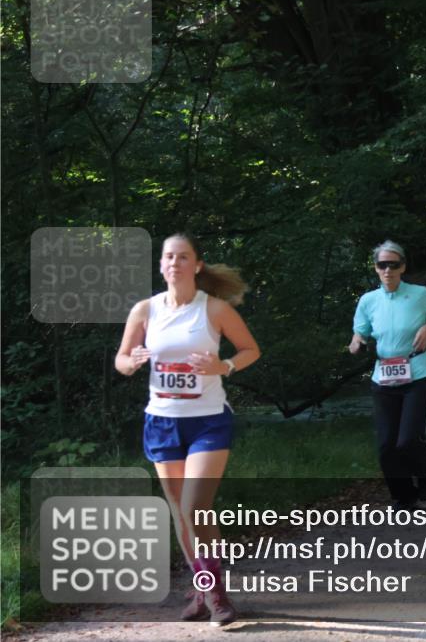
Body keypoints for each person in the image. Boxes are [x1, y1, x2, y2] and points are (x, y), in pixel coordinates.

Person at [116, 233, 260, 626]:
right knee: (180, 515)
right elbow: (122, 359)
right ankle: (201, 591)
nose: (175, 263)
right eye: (168, 257)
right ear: (161, 265)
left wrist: (224, 366)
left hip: (208, 420)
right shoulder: (145, 310)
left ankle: (216, 597)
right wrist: (133, 363)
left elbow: (251, 349)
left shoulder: (213, 309)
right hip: (162, 420)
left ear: (197, 265)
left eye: (183, 257)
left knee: (195, 507)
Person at [350, 240, 426, 510]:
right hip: (383, 377)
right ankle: (404, 496)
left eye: (394, 265)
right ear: (376, 268)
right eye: (382, 265)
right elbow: (361, 330)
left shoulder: (419, 294)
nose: (388, 270)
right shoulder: (368, 300)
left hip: (417, 374)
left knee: (408, 440)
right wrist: (357, 341)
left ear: (403, 267)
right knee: (386, 446)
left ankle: (424, 473)